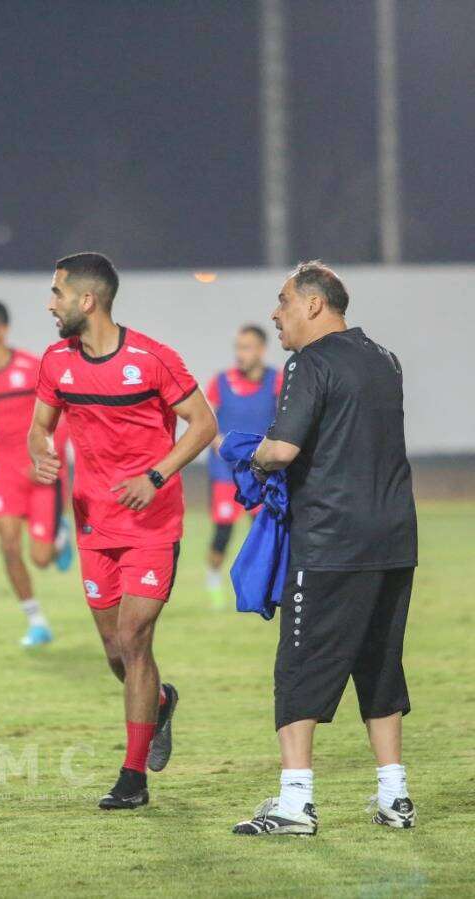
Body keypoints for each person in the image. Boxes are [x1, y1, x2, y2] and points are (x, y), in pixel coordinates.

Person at [233, 261, 418, 836]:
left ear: (314, 305)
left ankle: (295, 804)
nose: (275, 313)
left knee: (298, 668)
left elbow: (283, 449)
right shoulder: (386, 359)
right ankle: (395, 797)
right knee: (380, 667)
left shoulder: (307, 362)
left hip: (331, 542)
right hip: (394, 538)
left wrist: (248, 455)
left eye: (283, 300)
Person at [29, 252, 216, 810]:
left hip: (153, 524)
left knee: (134, 640)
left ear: (87, 301)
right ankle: (159, 701)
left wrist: (156, 476)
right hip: (94, 525)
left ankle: (132, 780)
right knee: (114, 651)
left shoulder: (153, 359)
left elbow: (204, 424)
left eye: (57, 293)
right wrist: (40, 454)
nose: (50, 303)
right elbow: (40, 428)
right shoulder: (56, 361)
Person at [0, 300, 73, 648]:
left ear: (2, 330)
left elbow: (62, 415)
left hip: (41, 474)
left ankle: (58, 536)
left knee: (40, 559)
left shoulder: (32, 366)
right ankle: (36, 621)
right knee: (8, 546)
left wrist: (46, 458)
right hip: (5, 474)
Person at [205, 325, 282, 608]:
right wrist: (218, 441)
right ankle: (213, 577)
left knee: (262, 532)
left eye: (247, 347)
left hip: (261, 475)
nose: (240, 354)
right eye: (238, 347)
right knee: (223, 533)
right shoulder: (221, 381)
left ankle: (262, 587)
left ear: (261, 350)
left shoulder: (277, 381)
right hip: (226, 474)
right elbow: (205, 421)